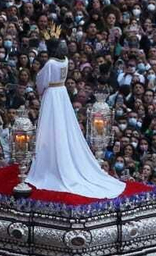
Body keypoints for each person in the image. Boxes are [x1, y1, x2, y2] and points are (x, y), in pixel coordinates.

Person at [24, 40, 125, 199]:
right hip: (62, 92)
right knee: (63, 125)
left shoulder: (51, 63)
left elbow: (41, 81)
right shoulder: (64, 60)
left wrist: (40, 89)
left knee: (52, 125)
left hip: (52, 94)